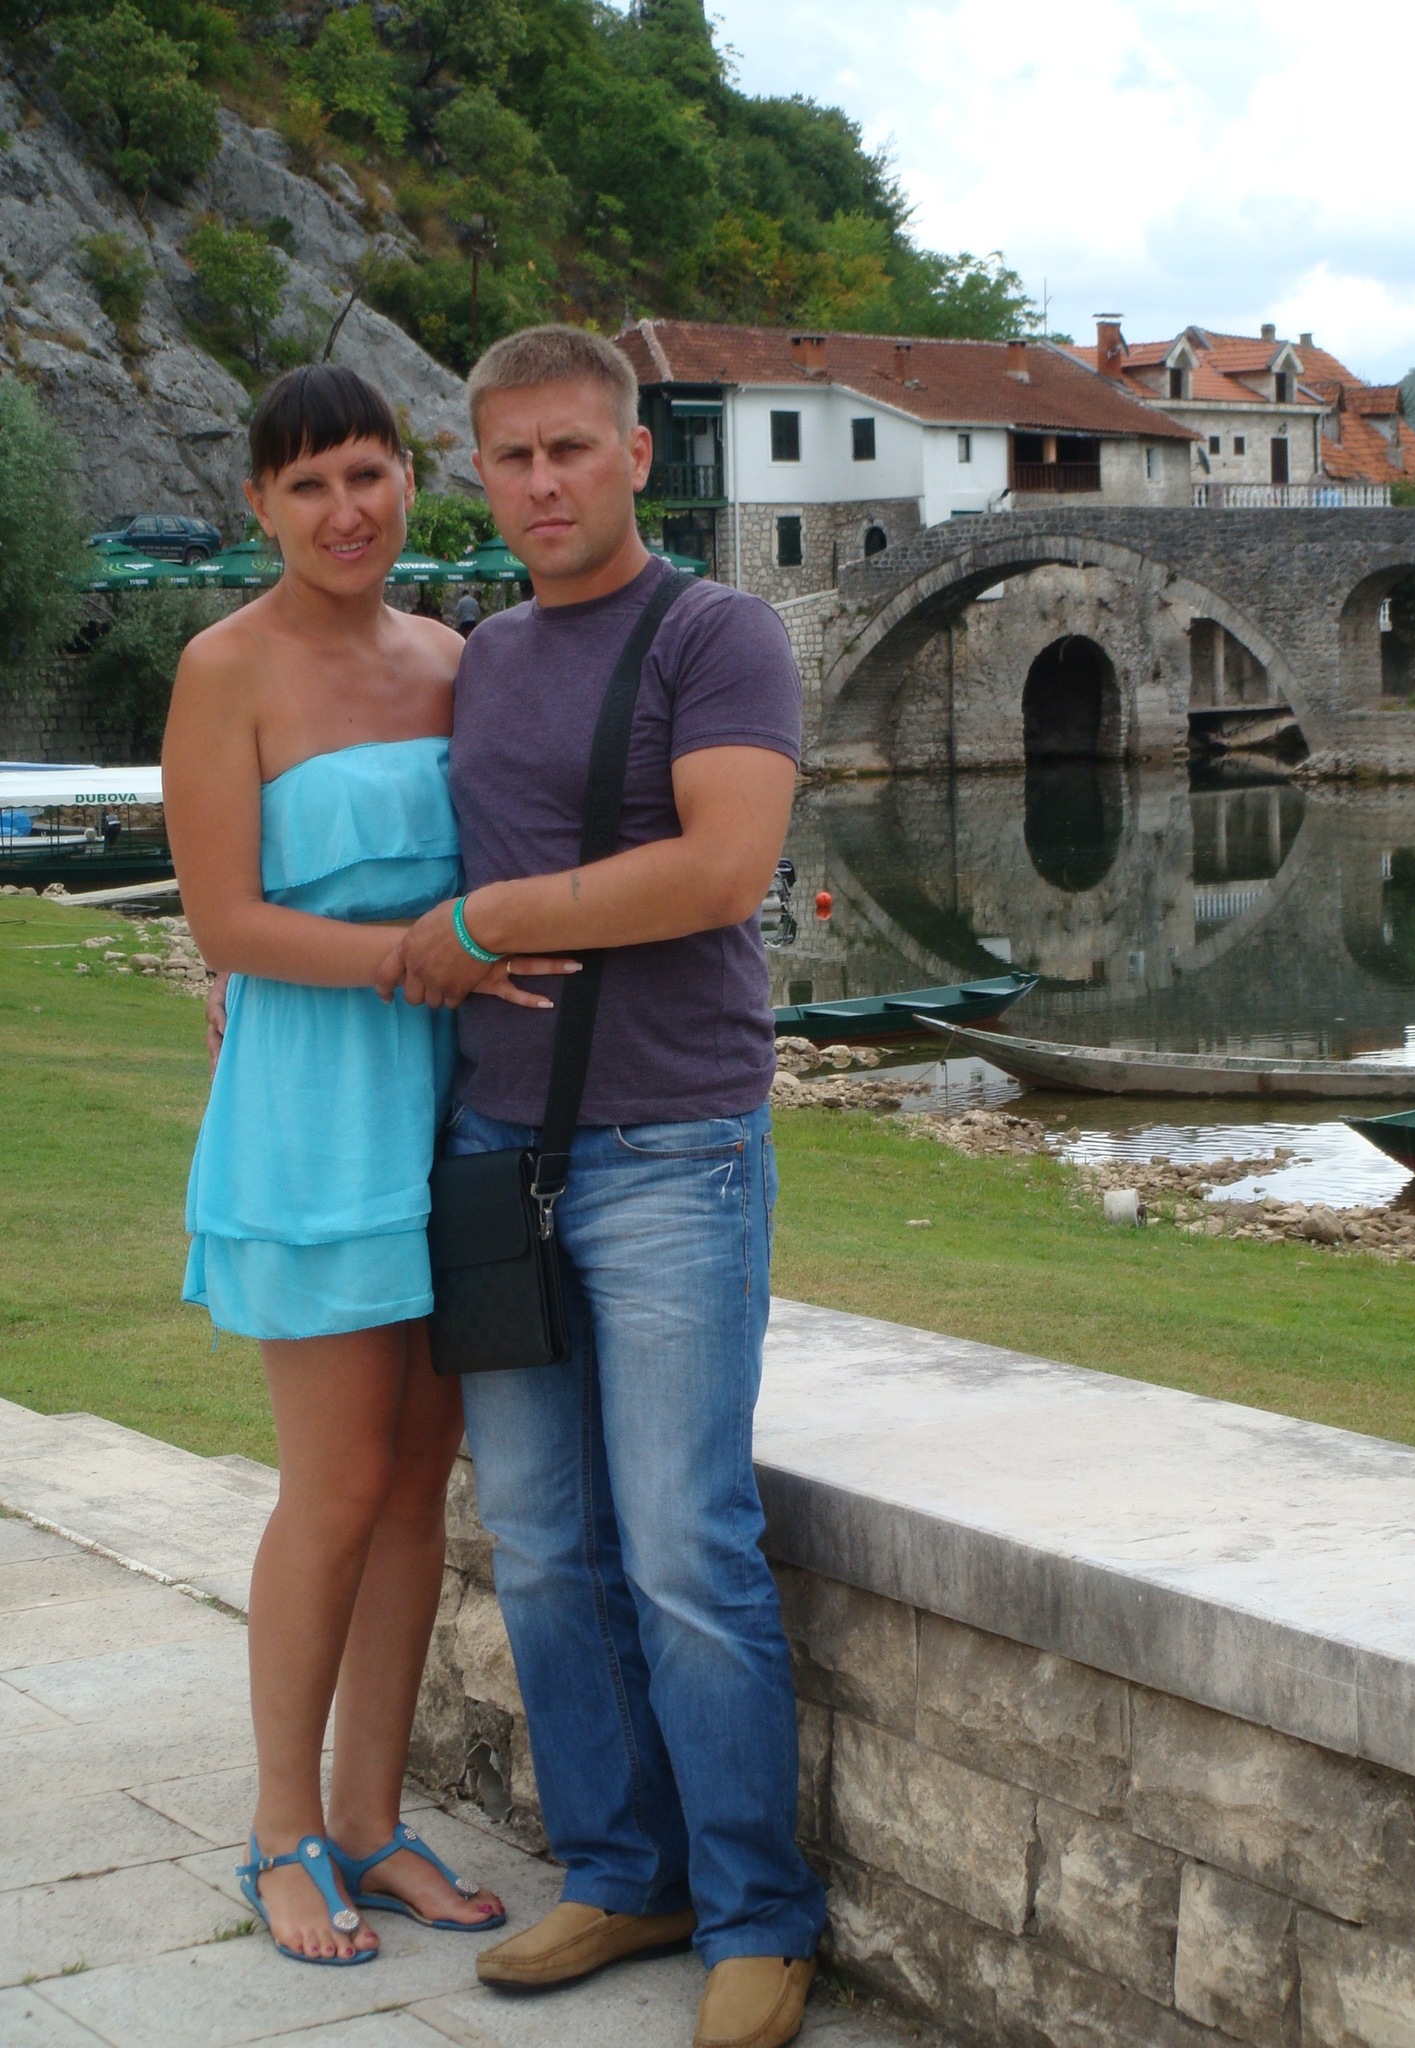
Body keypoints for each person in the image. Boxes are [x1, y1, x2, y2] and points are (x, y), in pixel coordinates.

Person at [375, 326, 824, 2048]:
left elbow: (721, 869)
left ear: (637, 458)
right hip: (497, 1148)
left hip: (672, 1147)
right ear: (480, 473)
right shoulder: (483, 656)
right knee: (548, 1547)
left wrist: (491, 921)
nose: (543, 482)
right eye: (512, 456)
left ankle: (759, 1915)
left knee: (687, 1546)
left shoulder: (717, 634)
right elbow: (397, 842)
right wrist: (267, 976)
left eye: (572, 449)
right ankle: (625, 1872)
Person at [163, 364, 573, 1967]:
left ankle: (371, 1819)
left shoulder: (458, 662)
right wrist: (431, 956)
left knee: (415, 1489)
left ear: (412, 478)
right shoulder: (224, 668)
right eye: (309, 483)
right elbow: (228, 922)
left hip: (453, 1110)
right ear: (260, 506)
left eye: (368, 473)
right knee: (332, 1487)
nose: (346, 510)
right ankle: (278, 1835)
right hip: (314, 1107)